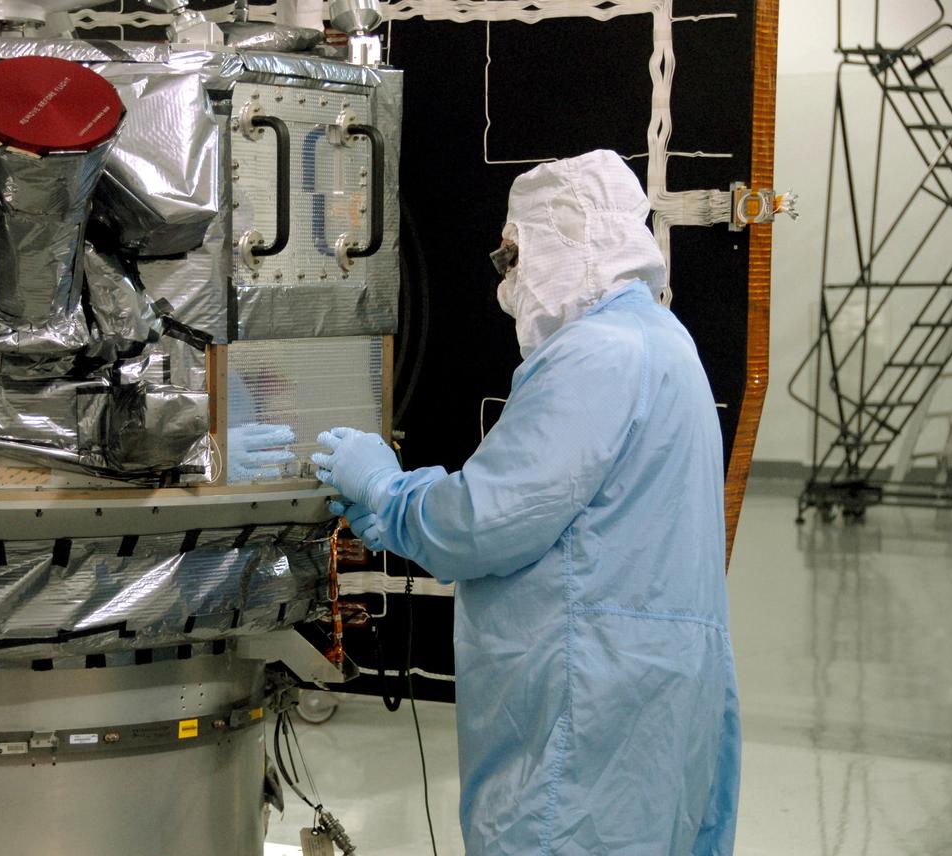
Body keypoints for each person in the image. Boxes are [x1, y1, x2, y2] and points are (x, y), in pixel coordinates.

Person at [311, 149, 740, 855]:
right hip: (652, 691)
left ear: (568, 236)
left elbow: (487, 522)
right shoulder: (665, 341)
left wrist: (389, 495)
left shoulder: (594, 355)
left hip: (590, 700)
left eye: (515, 258)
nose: (509, 287)